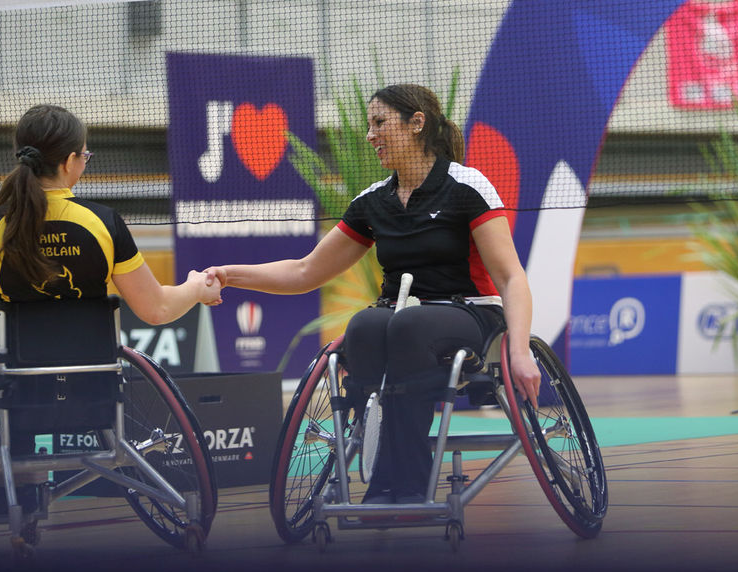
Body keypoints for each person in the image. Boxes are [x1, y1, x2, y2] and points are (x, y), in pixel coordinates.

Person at [205, 84, 540, 506]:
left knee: (409, 326)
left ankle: (408, 483)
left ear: (417, 123)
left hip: (471, 315)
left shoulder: (465, 185)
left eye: (380, 122)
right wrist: (230, 275)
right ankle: (378, 469)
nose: (370, 135)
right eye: (369, 125)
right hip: (402, 317)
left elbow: (511, 277)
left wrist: (521, 349)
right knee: (364, 325)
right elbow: (306, 271)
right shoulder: (373, 202)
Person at [0, 104, 220, 512]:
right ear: (70, 161)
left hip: (12, 389)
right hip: (90, 387)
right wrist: (196, 288)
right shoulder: (104, 223)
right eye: (86, 155)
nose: (85, 163)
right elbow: (157, 310)